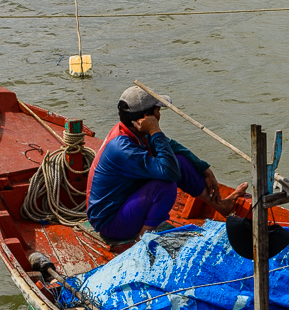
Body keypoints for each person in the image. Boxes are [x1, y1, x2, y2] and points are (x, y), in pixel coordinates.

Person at [87, 87, 247, 241]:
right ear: (146, 118)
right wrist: (155, 131)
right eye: (158, 111)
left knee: (179, 161)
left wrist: (205, 169)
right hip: (110, 222)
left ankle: (221, 206)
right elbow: (170, 173)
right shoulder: (123, 149)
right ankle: (141, 240)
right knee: (166, 185)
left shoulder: (133, 131)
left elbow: (173, 147)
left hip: (125, 202)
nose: (159, 115)